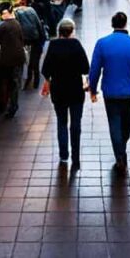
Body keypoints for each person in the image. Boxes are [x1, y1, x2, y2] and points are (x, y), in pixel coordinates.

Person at [89, 12, 130, 173]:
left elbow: (95, 69)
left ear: (112, 24)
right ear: (125, 24)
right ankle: (122, 148)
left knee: (114, 123)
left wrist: (93, 89)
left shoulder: (102, 44)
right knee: (126, 122)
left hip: (110, 92)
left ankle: (120, 156)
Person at [41, 19, 89, 170]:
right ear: (72, 31)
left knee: (61, 122)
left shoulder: (53, 45)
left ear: (59, 31)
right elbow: (85, 68)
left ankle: (63, 155)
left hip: (59, 91)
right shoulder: (76, 45)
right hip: (75, 91)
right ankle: (76, 156)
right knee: (76, 124)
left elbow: (45, 70)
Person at [0, 2, 27, 117]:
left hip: (9, 60)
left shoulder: (3, 27)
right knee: (14, 83)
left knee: (11, 84)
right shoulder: (16, 23)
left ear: (4, 13)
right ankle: (12, 106)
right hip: (19, 57)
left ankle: (11, 108)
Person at [15, 0, 47, 90]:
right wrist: (42, 37)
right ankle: (36, 81)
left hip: (25, 40)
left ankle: (27, 80)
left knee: (27, 61)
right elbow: (38, 24)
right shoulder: (31, 10)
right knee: (35, 60)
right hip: (36, 39)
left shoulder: (16, 13)